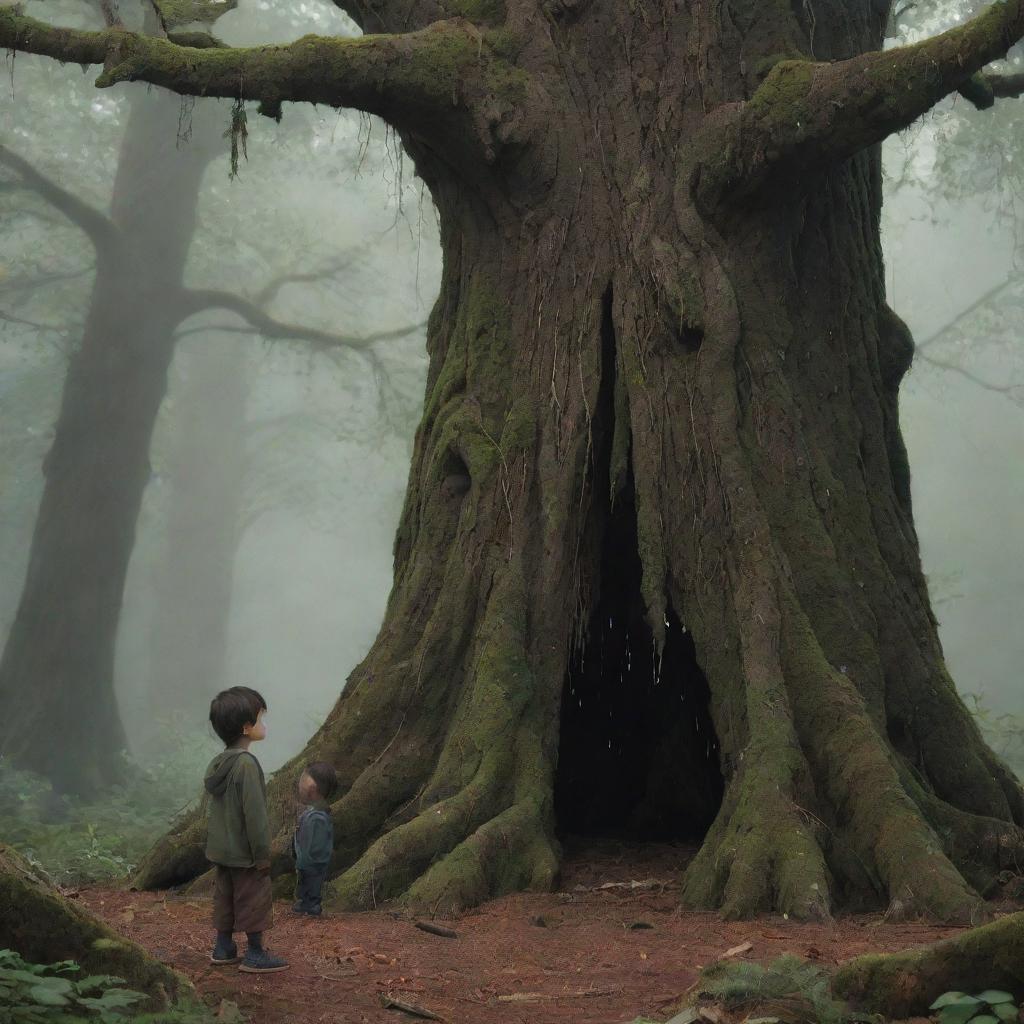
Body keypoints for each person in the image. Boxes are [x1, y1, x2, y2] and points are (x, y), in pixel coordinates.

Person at [204, 686, 288, 973]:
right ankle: (254, 953)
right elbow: (255, 816)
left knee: (225, 898)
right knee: (254, 898)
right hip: (245, 853)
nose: (264, 725)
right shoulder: (246, 766)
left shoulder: (219, 763)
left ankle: (223, 947)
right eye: (260, 719)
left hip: (221, 851)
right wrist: (262, 853)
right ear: (246, 728)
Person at [292, 761, 337, 916]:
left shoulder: (318, 816)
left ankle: (313, 904)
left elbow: (317, 841)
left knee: (313, 883)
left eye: (303, 781)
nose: (300, 785)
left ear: (313, 789)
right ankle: (305, 902)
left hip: (313, 861)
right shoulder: (312, 812)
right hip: (306, 860)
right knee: (304, 882)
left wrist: (310, 857)